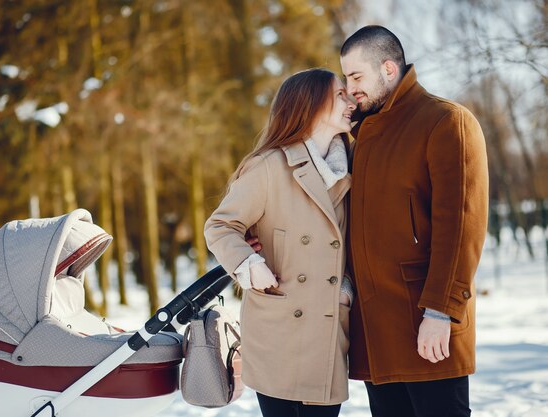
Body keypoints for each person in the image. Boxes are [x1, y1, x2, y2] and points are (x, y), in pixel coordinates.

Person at [339, 26, 489, 417]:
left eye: (357, 77)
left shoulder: (444, 121)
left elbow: (461, 227)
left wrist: (441, 311)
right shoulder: (360, 136)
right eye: (346, 78)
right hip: (376, 333)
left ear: (388, 68)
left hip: (427, 326)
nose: (349, 87)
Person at [204, 68, 356, 417]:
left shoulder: (348, 169)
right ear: (311, 104)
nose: (351, 103)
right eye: (340, 95)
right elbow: (220, 225)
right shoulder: (269, 166)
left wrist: (345, 287)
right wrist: (249, 265)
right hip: (280, 330)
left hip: (327, 328)